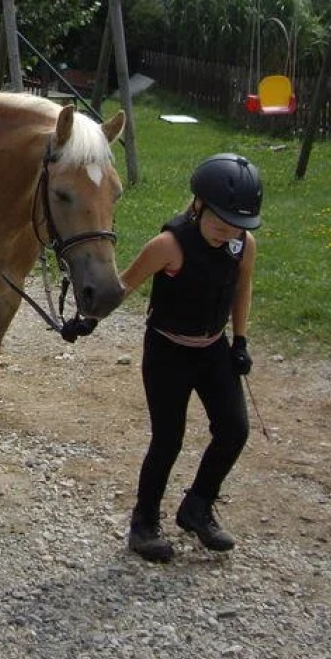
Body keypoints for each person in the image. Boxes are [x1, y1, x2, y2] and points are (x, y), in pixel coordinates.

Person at [117, 153, 262, 563]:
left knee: (234, 429)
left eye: (237, 225)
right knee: (168, 439)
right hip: (167, 351)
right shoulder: (169, 245)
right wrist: (85, 320)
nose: (227, 232)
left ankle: (197, 507)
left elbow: (241, 289)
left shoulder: (242, 245)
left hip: (213, 349)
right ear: (197, 204)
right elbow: (124, 286)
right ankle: (144, 524)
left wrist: (240, 341)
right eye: (220, 222)